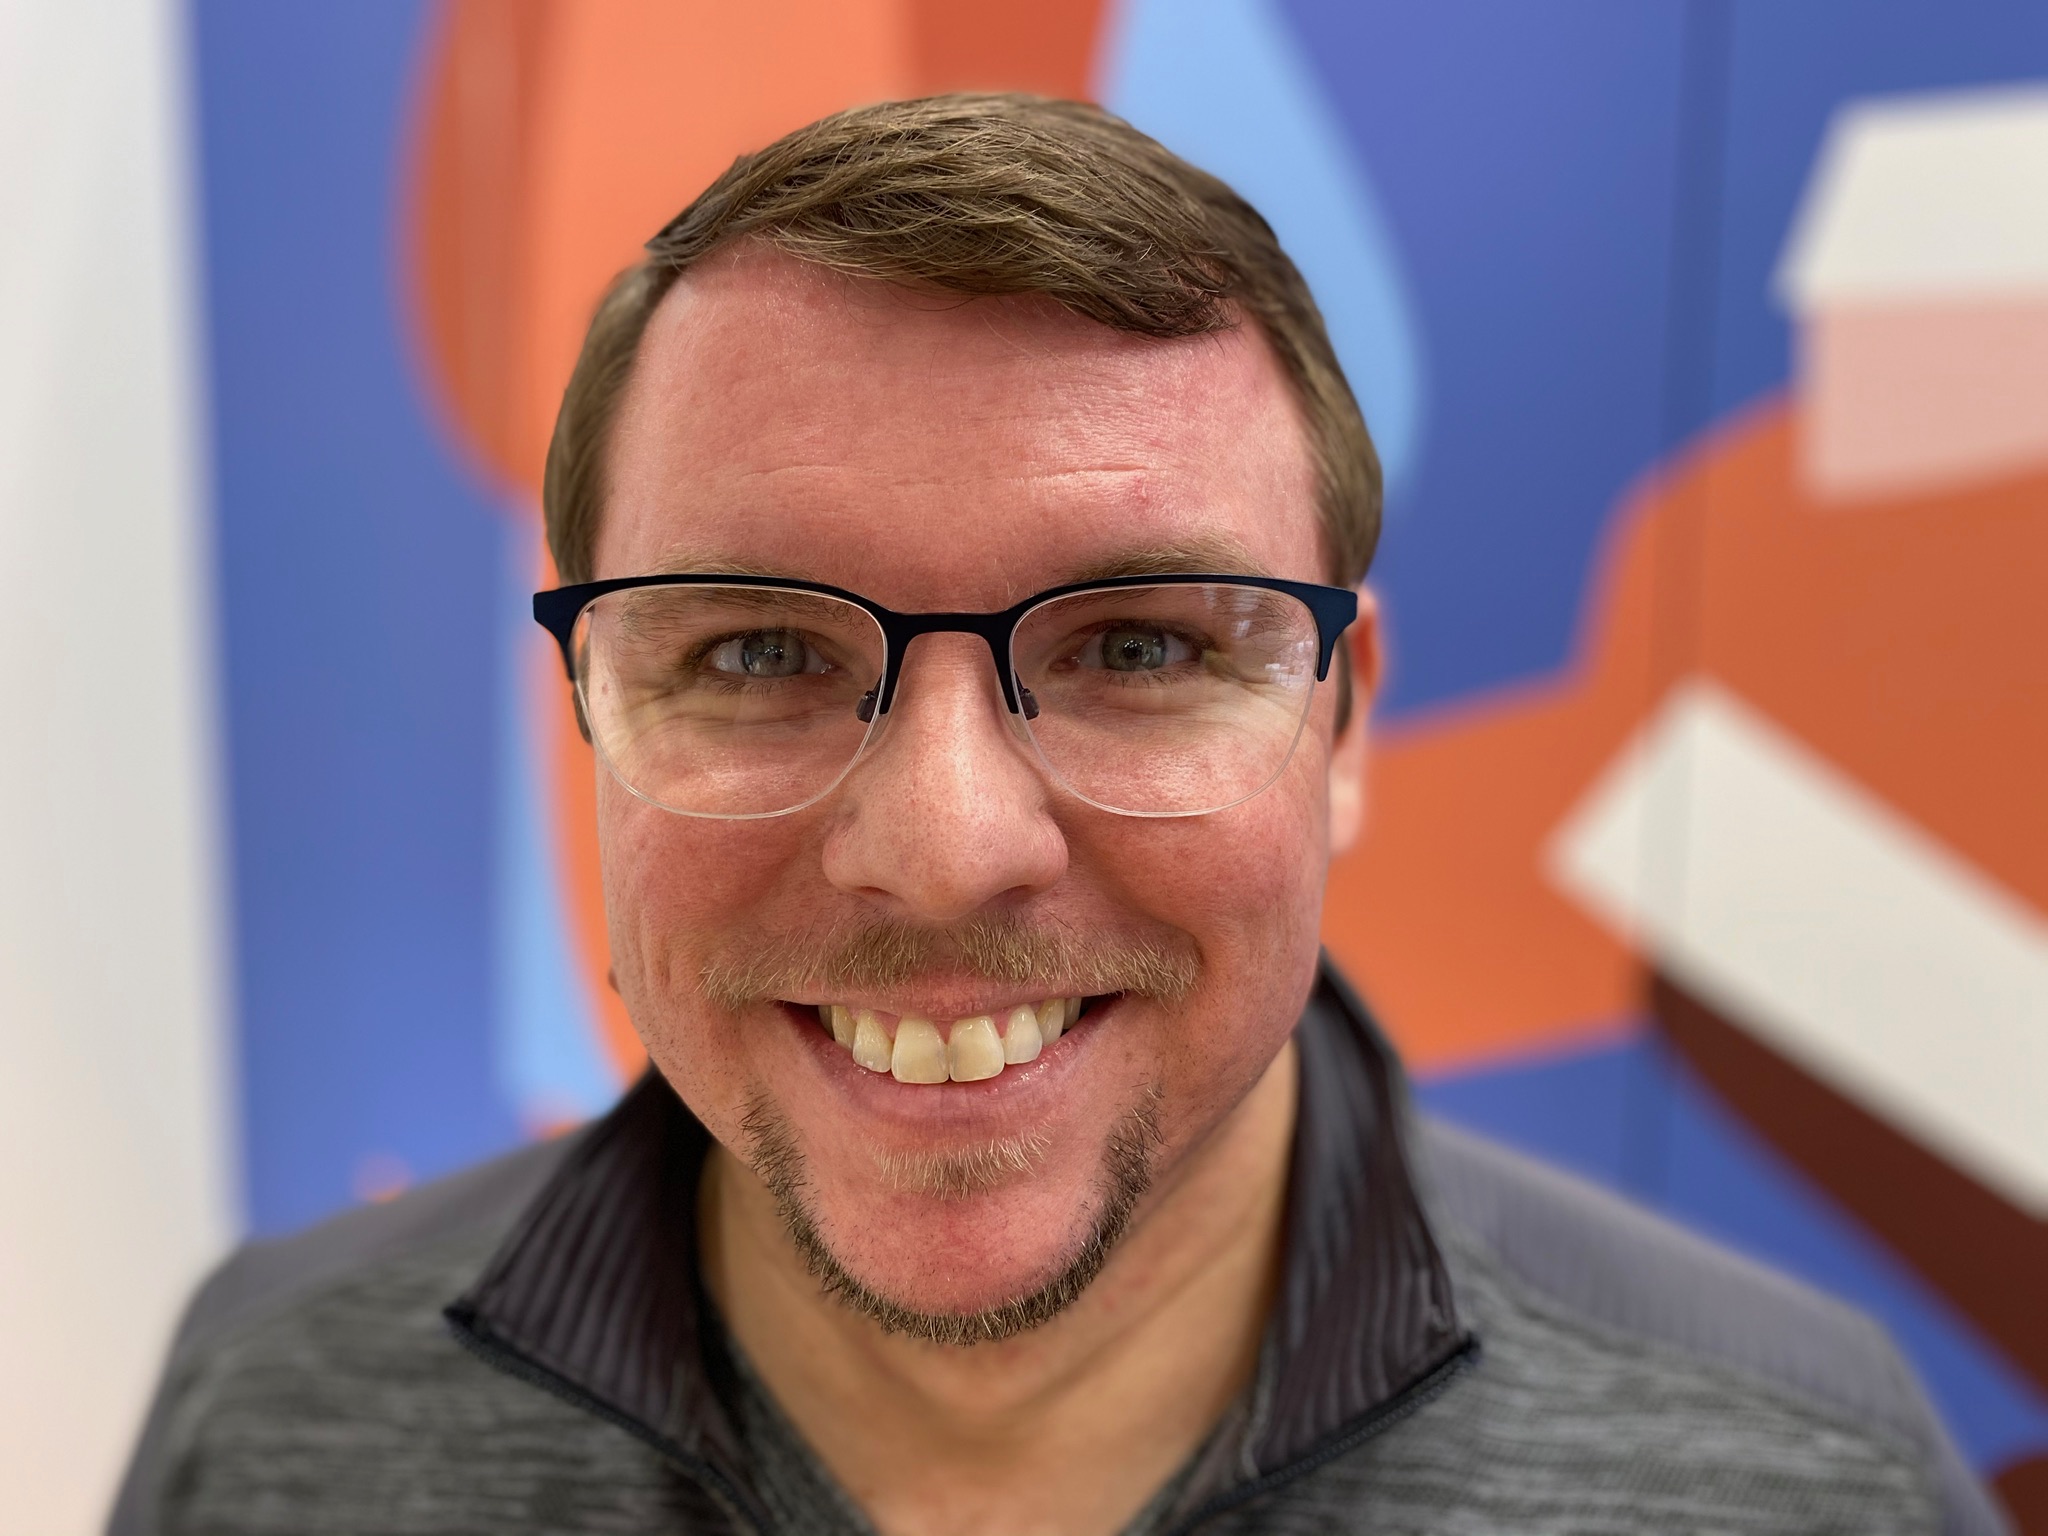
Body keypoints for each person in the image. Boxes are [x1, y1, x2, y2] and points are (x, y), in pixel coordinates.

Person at [111, 94, 2008, 1536]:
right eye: (761, 655)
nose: (944, 846)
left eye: (1144, 648)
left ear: (1341, 726)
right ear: (593, 719)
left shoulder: (1795, 1476)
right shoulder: (274, 1419)